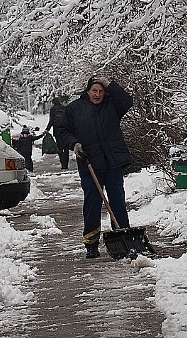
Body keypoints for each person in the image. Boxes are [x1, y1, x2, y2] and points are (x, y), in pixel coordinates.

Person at [56, 75, 133, 258]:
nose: (97, 94)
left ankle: (123, 238)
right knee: (92, 202)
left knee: (117, 200)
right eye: (94, 90)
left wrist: (109, 83)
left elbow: (127, 101)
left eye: (101, 91)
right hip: (89, 162)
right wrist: (74, 144)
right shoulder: (75, 108)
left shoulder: (112, 105)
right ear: (88, 91)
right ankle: (91, 243)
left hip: (111, 162)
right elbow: (61, 131)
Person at [45, 96, 71, 170]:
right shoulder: (64, 108)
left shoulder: (53, 109)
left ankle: (63, 164)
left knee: (60, 148)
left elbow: (51, 121)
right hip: (65, 131)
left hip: (57, 131)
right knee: (66, 148)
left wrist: (47, 129)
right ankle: (66, 164)